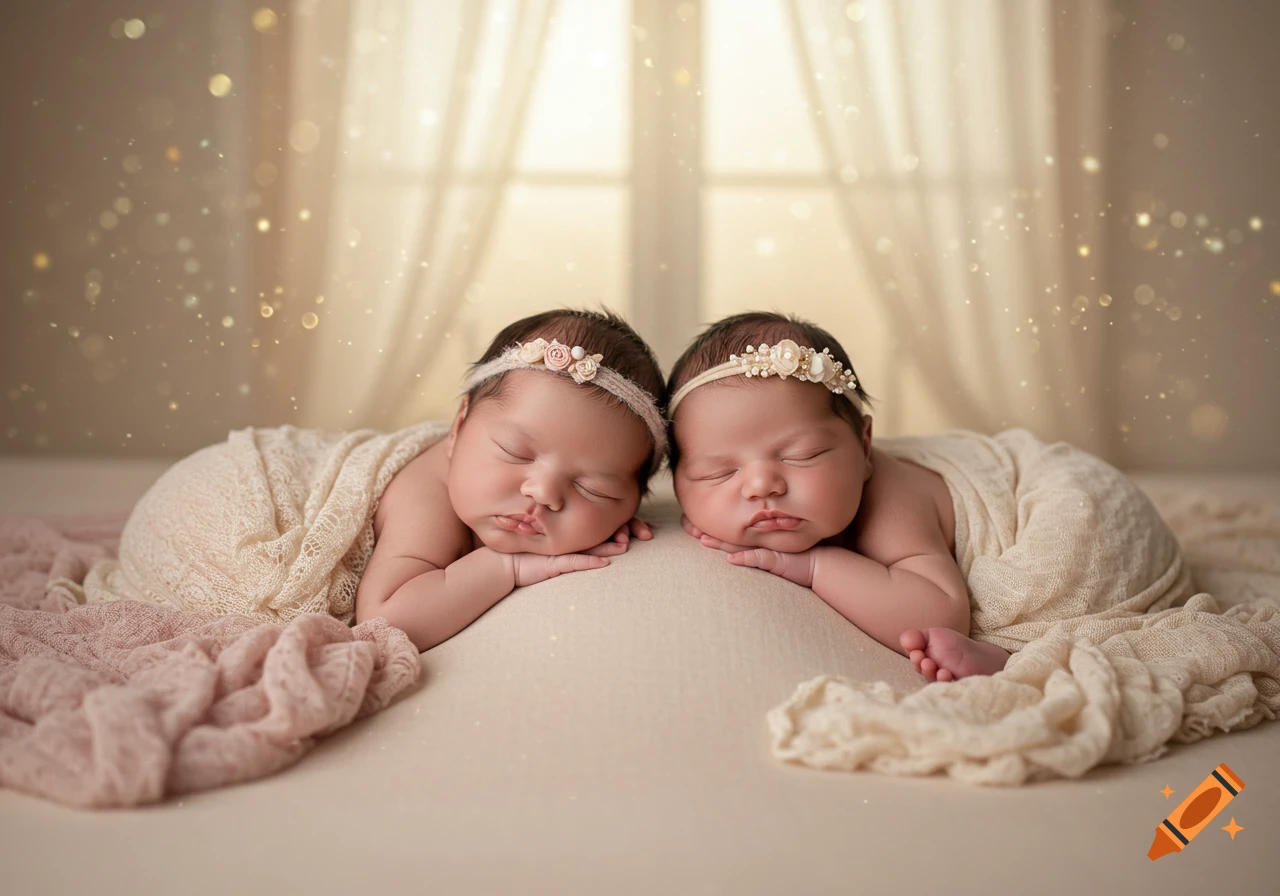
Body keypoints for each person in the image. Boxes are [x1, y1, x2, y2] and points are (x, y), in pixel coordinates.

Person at [666, 311, 1010, 681]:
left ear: (863, 447)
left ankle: (1012, 655)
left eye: (803, 455)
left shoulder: (891, 501)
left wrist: (815, 566)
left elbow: (940, 615)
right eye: (717, 473)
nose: (761, 486)